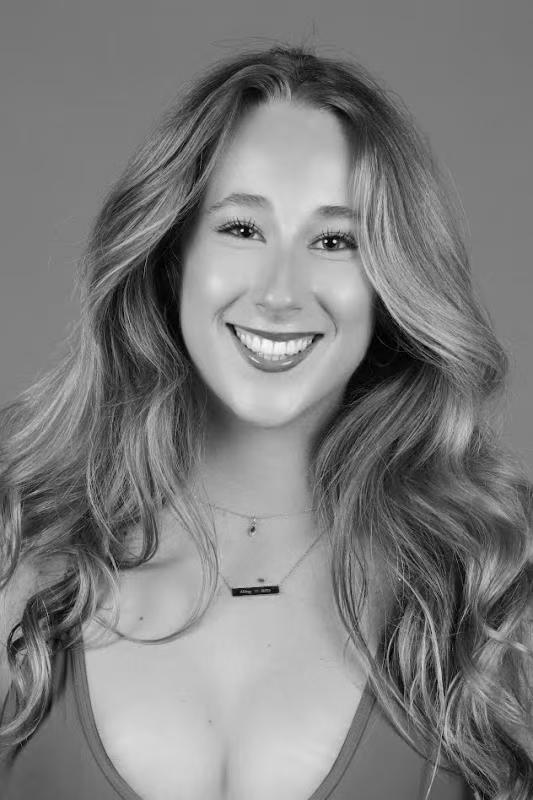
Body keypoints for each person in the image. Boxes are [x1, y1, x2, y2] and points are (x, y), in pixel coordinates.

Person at [0, 41, 531, 800]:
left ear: (388, 282)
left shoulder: (489, 592)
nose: (280, 293)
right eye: (243, 229)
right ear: (173, 254)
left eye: (334, 241)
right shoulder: (21, 560)